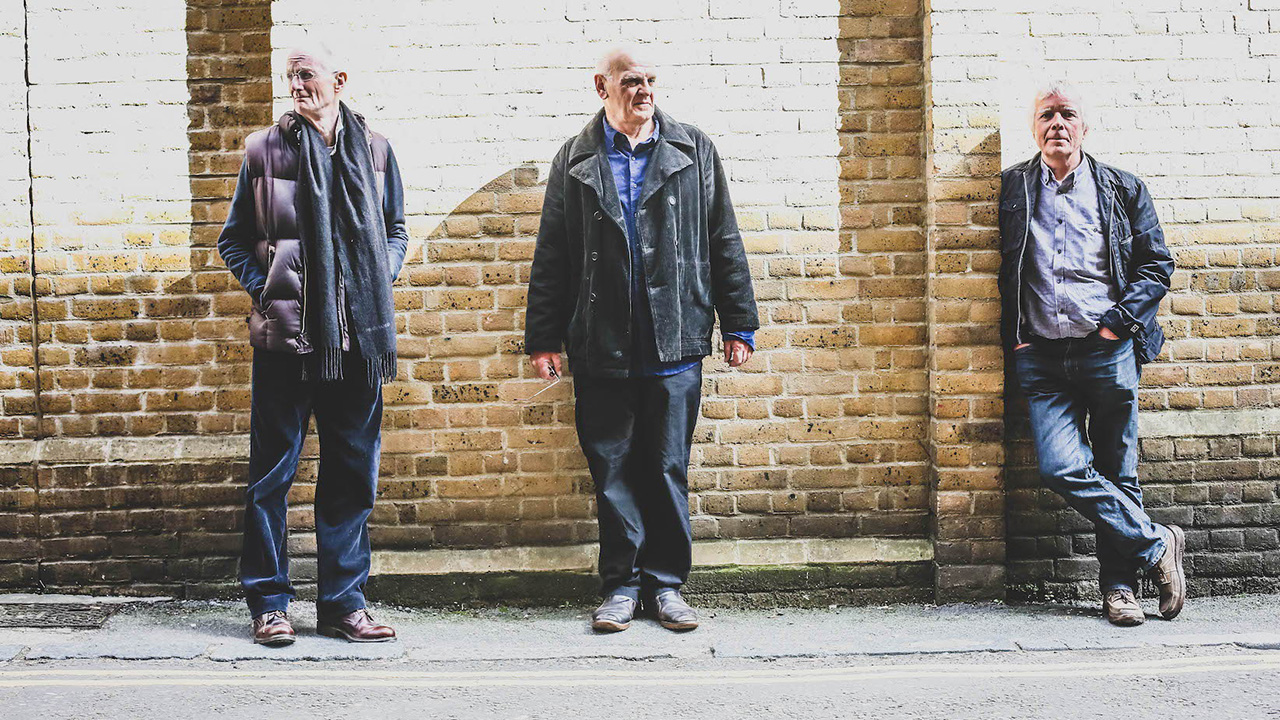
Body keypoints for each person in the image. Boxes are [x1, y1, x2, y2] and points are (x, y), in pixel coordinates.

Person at [525, 47, 759, 632]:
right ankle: (622, 586)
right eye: (632, 81)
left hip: (675, 337)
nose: (644, 90)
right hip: (600, 342)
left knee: (666, 467)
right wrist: (543, 338)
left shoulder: (693, 149)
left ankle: (666, 585)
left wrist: (739, 323)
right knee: (611, 468)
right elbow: (553, 253)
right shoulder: (574, 158)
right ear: (601, 86)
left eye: (652, 79)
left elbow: (722, 237)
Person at [217, 41, 407, 645]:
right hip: (287, 344)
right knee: (271, 477)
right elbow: (234, 242)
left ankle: (343, 604)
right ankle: (269, 604)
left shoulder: (376, 150)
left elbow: (395, 230)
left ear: (339, 80)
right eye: (289, 78)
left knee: (352, 476)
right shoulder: (263, 150)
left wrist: (379, 273)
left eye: (306, 76)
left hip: (358, 343)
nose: (295, 86)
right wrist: (269, 290)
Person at [998, 81, 1182, 626]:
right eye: (1047, 115)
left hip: (1107, 352)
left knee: (1117, 471)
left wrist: (1117, 326)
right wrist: (1019, 336)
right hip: (1042, 355)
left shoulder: (1123, 188)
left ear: (1084, 126)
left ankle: (1120, 591)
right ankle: (1156, 544)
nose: (1057, 124)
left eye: (1068, 115)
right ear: (1034, 128)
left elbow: (1157, 266)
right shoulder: (1013, 189)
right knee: (1060, 468)